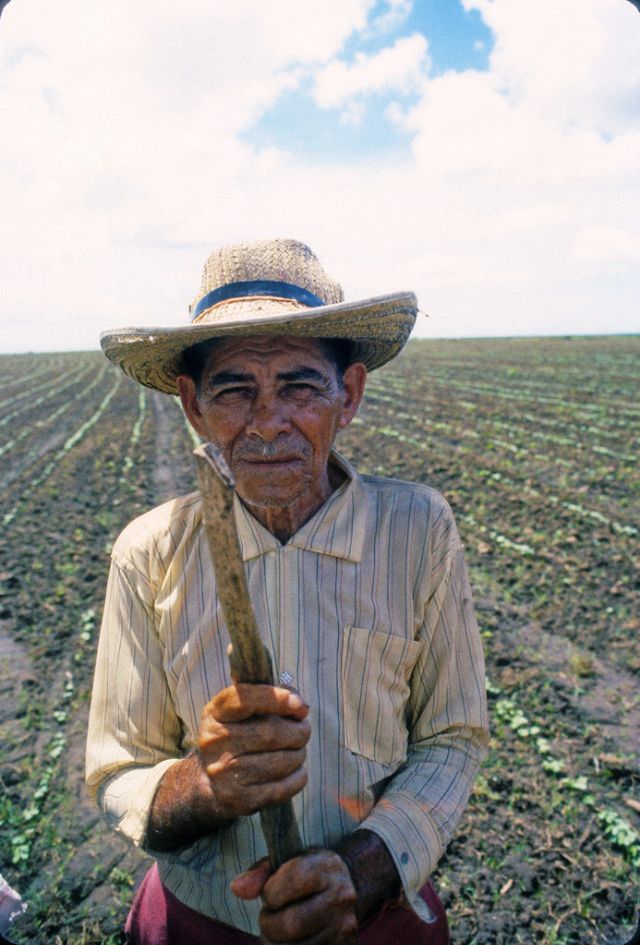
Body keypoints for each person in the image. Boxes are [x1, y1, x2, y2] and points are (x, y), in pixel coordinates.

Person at [86, 238, 489, 945]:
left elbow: (452, 736)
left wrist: (362, 871)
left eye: (300, 385)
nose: (268, 421)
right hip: (201, 920)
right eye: (235, 389)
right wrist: (203, 786)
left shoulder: (417, 530)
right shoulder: (147, 552)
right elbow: (119, 766)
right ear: (192, 404)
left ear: (350, 394)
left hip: (376, 917)